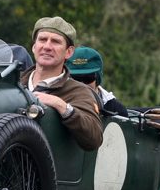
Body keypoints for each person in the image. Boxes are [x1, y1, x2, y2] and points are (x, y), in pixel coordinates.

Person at [20, 16, 103, 151]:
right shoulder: (14, 84)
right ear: (34, 47)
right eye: (42, 40)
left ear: (69, 52)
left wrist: (63, 107)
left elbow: (94, 139)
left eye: (55, 42)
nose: (47, 46)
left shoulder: (78, 92)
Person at [66, 46, 129, 117]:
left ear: (98, 78)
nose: (81, 84)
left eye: (88, 78)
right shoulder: (57, 103)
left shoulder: (116, 109)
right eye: (75, 78)